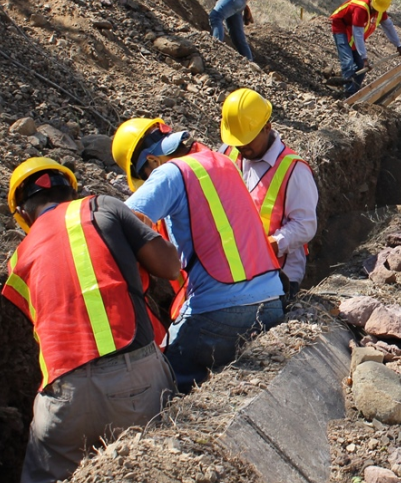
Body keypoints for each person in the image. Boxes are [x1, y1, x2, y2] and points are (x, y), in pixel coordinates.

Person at [1, 158, 179, 483]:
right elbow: (170, 267)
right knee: (165, 480)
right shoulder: (102, 207)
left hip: (64, 397)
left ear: (22, 212)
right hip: (136, 379)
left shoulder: (17, 260)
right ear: (72, 189)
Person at [112, 118, 284, 393]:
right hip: (272, 302)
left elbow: (115, 224)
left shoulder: (169, 173)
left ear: (153, 162)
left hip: (218, 313)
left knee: (160, 387)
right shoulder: (222, 160)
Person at [218, 88, 319, 300]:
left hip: (279, 273)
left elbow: (305, 224)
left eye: (248, 139)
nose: (242, 146)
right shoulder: (228, 153)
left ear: (267, 128)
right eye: (237, 140)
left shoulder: (294, 170)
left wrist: (268, 245)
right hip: (237, 266)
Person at [331, 0, 401, 97]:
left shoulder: (380, 9)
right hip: (340, 25)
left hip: (352, 28)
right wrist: (364, 57)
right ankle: (349, 95)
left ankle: (355, 91)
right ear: (372, 0)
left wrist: (398, 45)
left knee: (361, 66)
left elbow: (389, 26)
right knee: (348, 62)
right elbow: (358, 34)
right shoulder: (360, 8)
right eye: (375, 8)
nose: (376, 11)